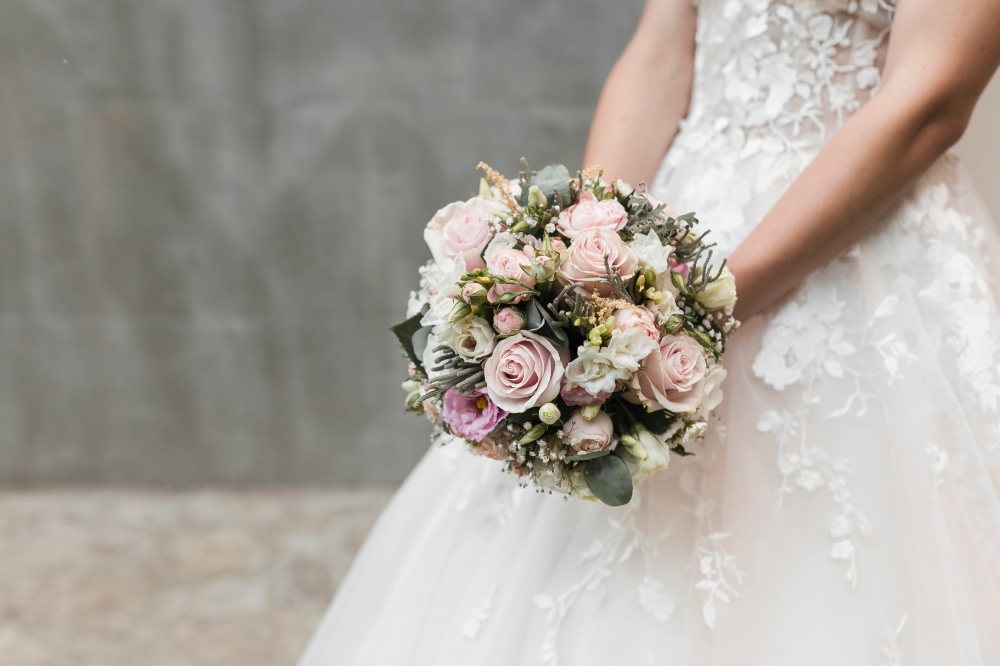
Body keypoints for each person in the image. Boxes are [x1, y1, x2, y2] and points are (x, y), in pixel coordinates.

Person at [300, 0, 1000, 663]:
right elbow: (663, 47)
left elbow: (927, 103)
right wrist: (579, 255)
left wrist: (701, 308)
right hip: (677, 219)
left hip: (854, 253)